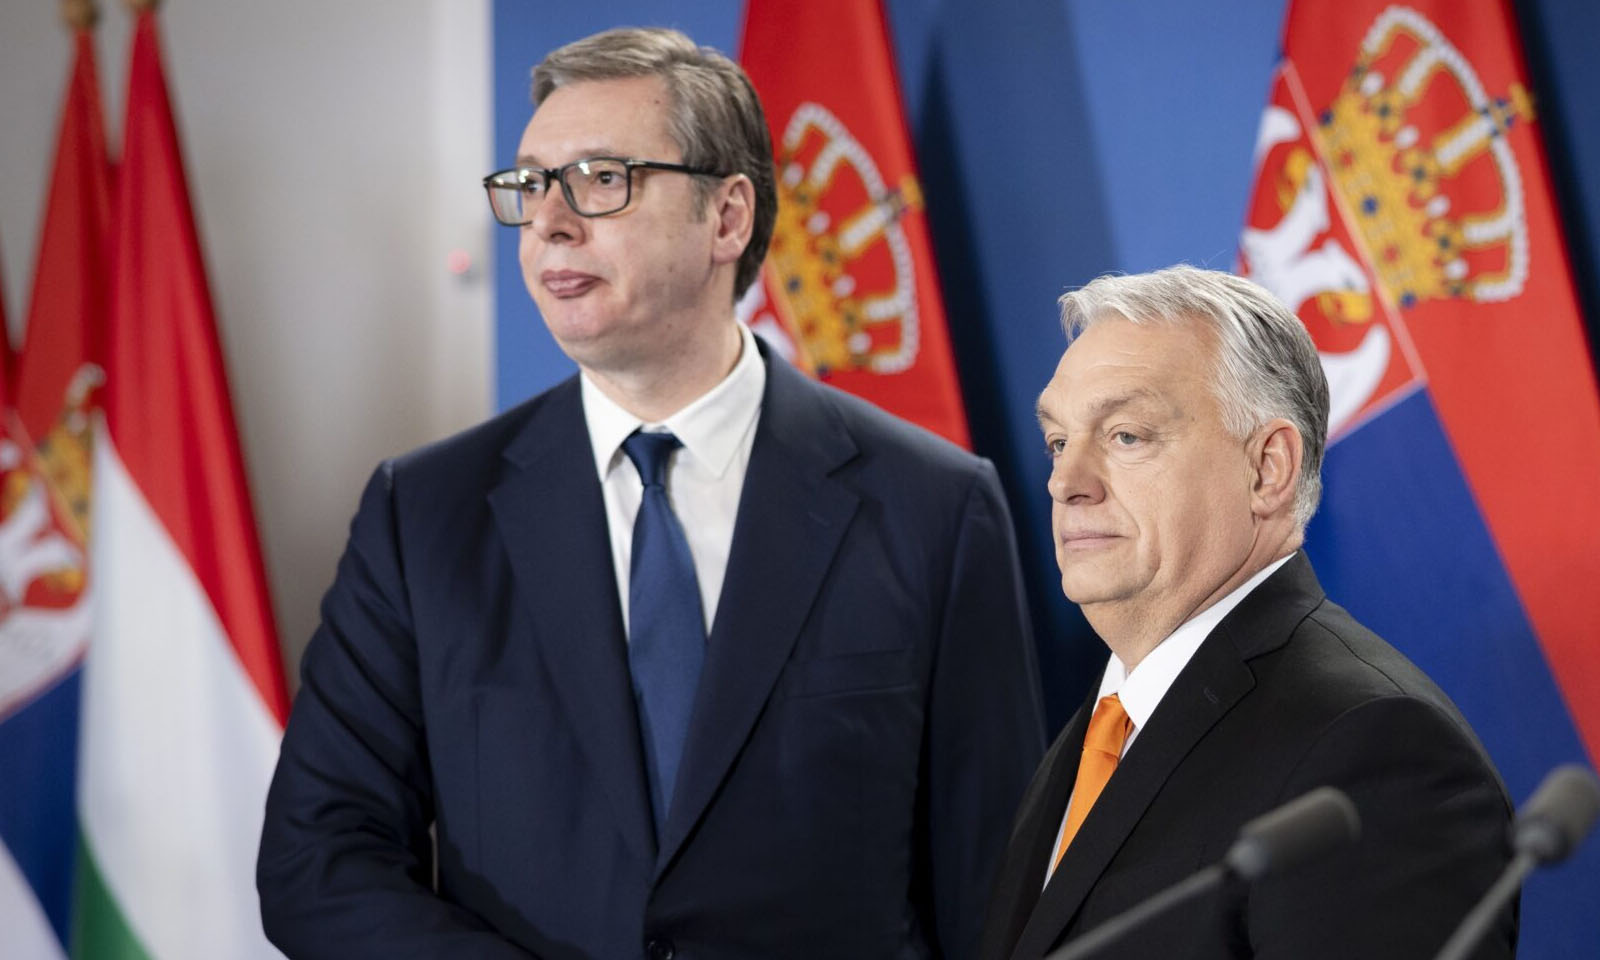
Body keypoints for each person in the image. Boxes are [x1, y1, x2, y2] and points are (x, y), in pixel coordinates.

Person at [256, 26, 1044, 960]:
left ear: (727, 218)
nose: (550, 222)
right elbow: (317, 862)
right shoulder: (423, 516)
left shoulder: (934, 509)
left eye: (601, 179)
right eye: (530, 185)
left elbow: (997, 898)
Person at [980, 266, 1515, 960]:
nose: (1065, 482)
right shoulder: (1097, 732)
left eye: (1126, 436)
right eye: (1059, 441)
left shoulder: (1375, 751)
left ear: (1267, 469)